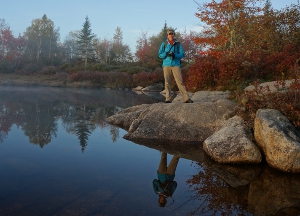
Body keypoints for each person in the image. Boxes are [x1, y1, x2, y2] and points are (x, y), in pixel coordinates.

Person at [158, 28, 193, 103]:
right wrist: (166, 54)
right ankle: (168, 98)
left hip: (176, 64)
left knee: (180, 81)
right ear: (167, 35)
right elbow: (160, 54)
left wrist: (175, 55)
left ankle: (186, 98)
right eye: (169, 34)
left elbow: (182, 54)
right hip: (166, 64)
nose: (171, 35)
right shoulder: (163, 44)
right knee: (167, 82)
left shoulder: (178, 44)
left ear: (174, 35)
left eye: (172, 34)